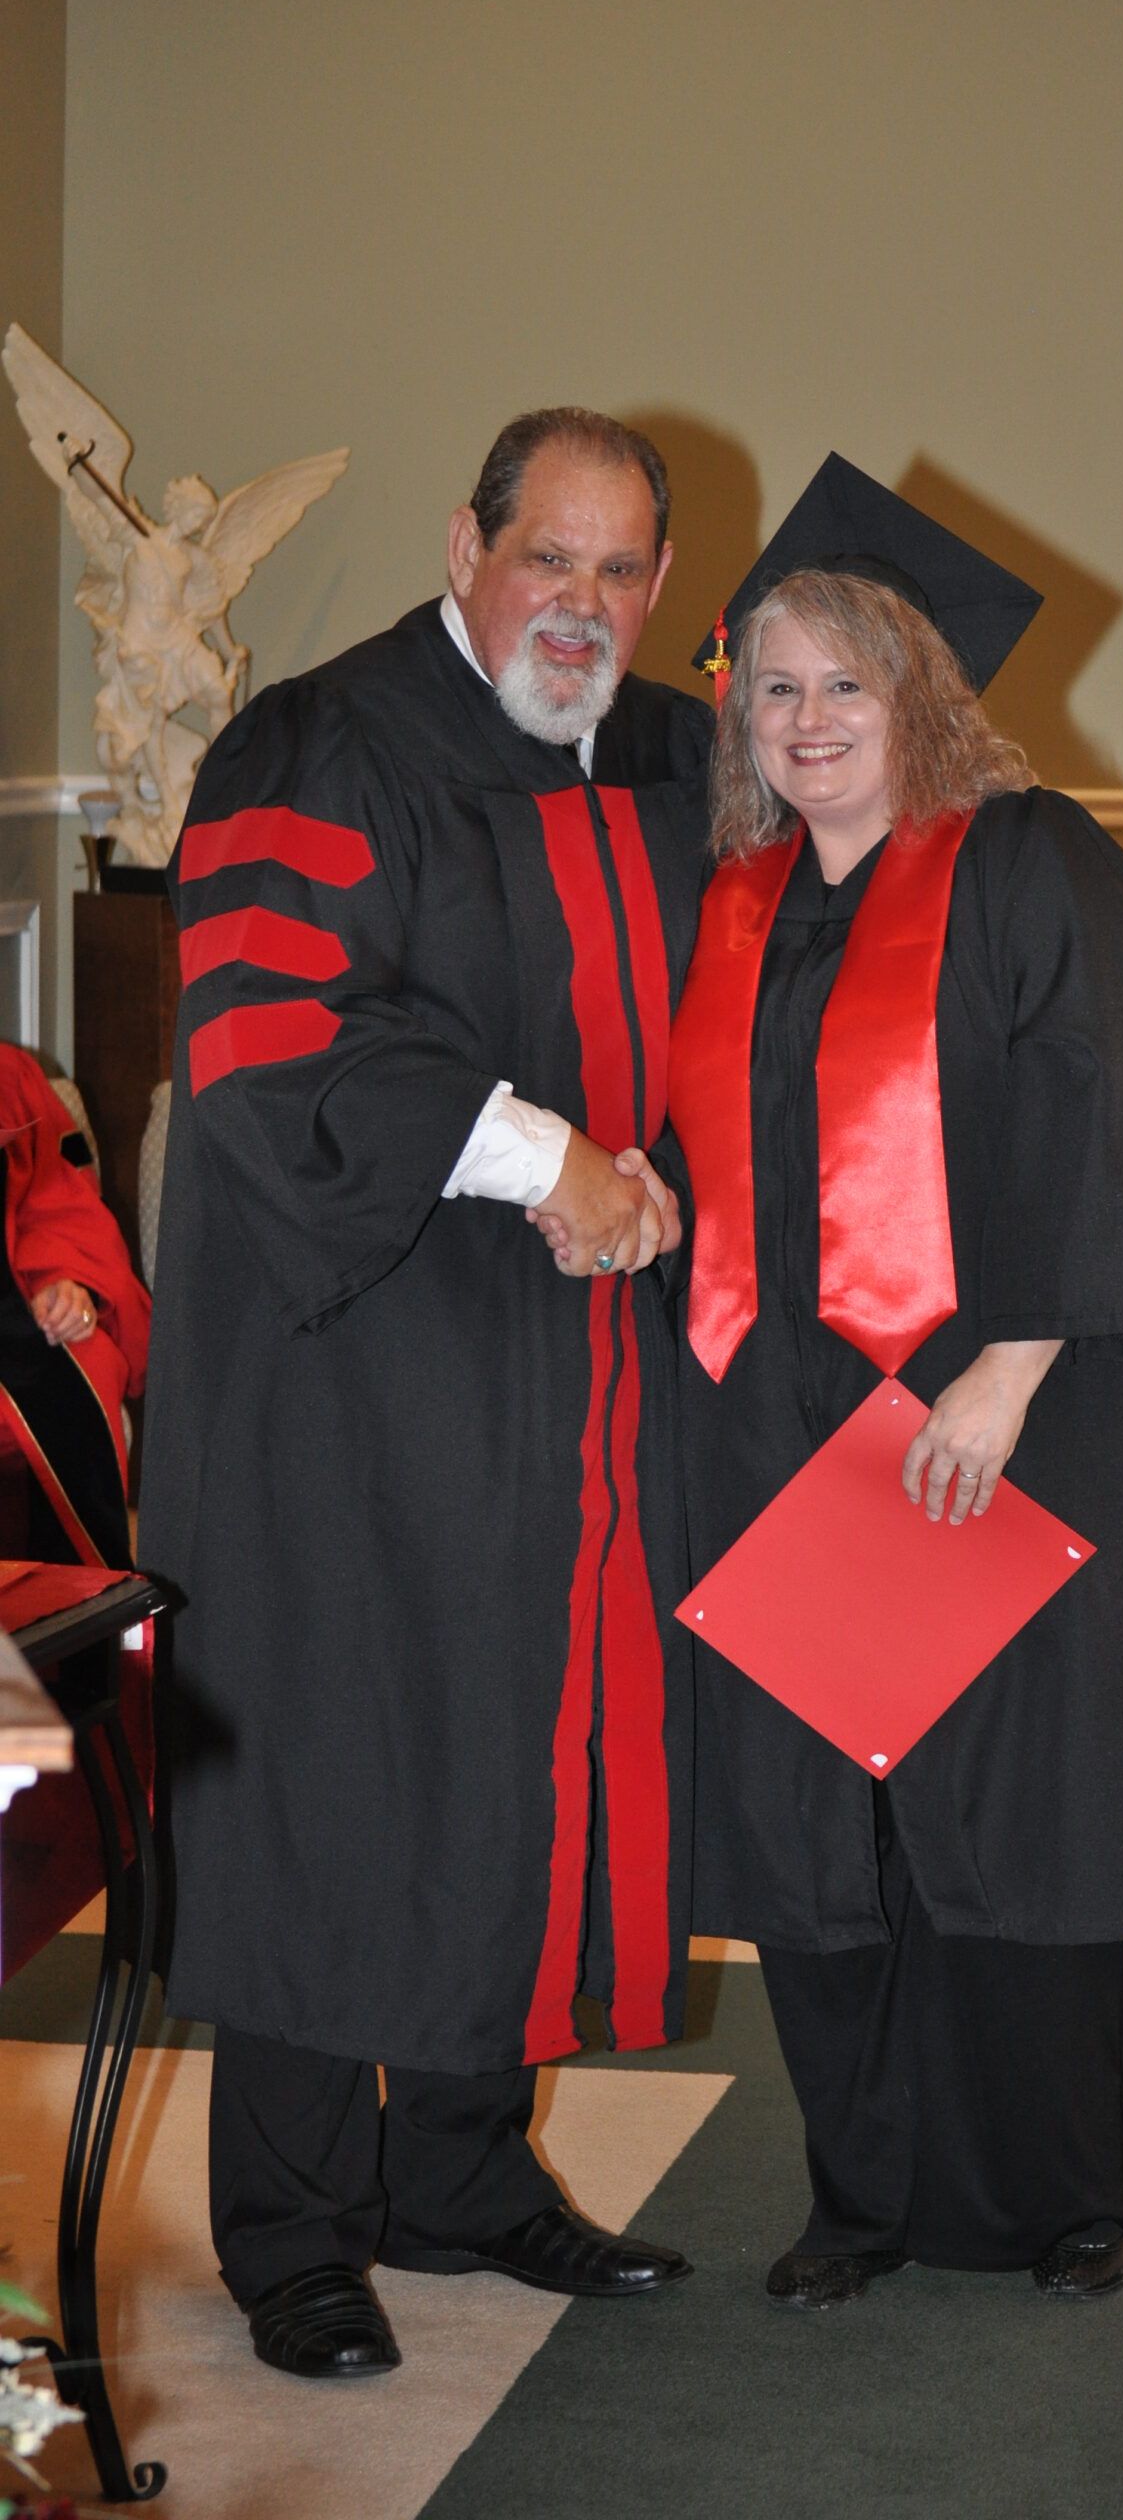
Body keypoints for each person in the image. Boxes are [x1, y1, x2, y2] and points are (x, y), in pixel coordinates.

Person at [142, 407, 713, 2379]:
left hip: (569, 1374)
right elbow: (271, 1029)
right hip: (345, 1370)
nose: (584, 603)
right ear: (465, 544)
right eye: (548, 555)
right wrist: (541, 1152)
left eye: (623, 567)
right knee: (329, 1757)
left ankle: (464, 2164)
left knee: (521, 1745)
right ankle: (292, 2223)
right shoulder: (321, 742)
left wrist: (660, 1177)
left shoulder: (654, 755)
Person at [603, 459, 1123, 2308]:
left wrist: (1007, 1374)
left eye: (843, 686)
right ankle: (856, 2194)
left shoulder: (1037, 862)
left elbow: (1113, 1119)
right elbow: (711, 1157)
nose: (803, 723)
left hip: (1005, 1411)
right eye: (772, 687)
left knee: (1010, 1817)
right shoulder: (735, 899)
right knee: (824, 1833)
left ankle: (1056, 2197)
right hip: (778, 1418)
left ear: (922, 697)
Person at [0, 1044, 149, 1567]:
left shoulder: (8, 1079)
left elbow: (58, 1206)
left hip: (11, 1327)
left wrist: (69, 1281)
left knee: (82, 1360)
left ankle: (73, 1634)